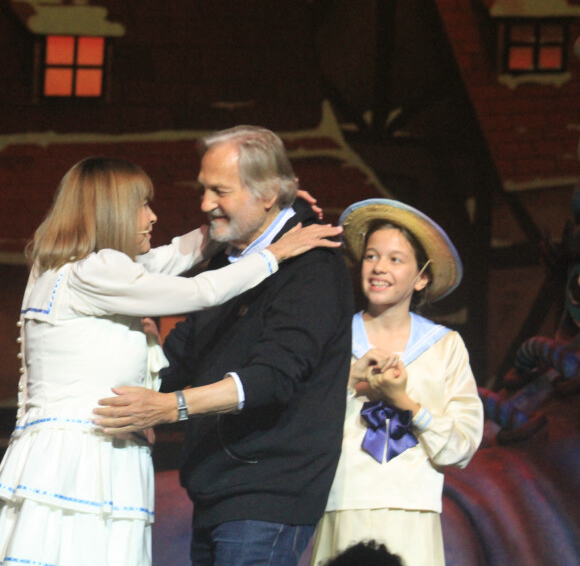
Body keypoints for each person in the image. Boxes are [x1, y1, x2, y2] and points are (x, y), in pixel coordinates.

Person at [0, 156, 342, 566]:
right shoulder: (96, 272)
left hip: (63, 452)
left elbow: (174, 255)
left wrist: (245, 212)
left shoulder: (61, 268)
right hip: (85, 458)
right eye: (142, 205)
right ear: (112, 212)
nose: (153, 215)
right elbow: (202, 291)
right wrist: (275, 252)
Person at [94, 126, 354, 566]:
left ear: (268, 193)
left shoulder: (313, 267)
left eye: (220, 190)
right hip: (218, 491)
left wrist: (167, 407)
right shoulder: (227, 263)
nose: (204, 203)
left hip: (267, 495)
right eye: (203, 189)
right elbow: (179, 360)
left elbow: (270, 378)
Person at [310, 198, 484, 566]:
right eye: (372, 256)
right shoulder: (335, 340)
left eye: (395, 259)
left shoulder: (444, 347)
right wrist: (346, 384)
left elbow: (462, 447)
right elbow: (303, 427)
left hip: (413, 512)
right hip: (344, 504)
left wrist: (406, 403)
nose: (379, 268)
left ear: (421, 277)